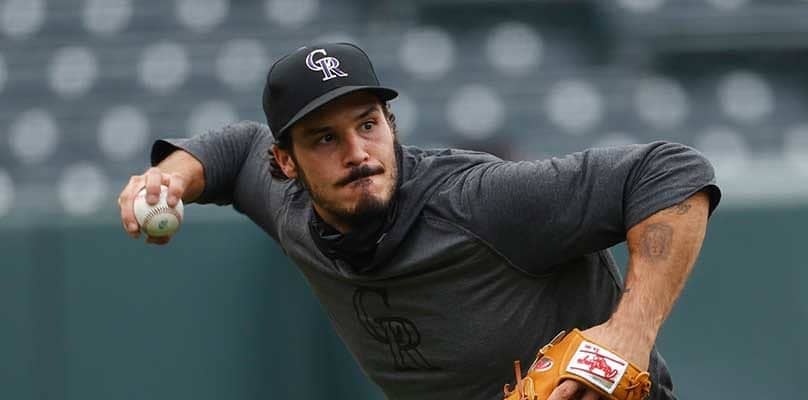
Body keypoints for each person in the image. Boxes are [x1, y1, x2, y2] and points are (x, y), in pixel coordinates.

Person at [117, 42, 721, 400]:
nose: (357, 152)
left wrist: (629, 335)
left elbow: (671, 172)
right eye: (325, 138)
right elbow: (232, 149)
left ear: (391, 125)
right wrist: (169, 179)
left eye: (368, 124)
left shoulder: (480, 202)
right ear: (286, 163)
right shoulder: (289, 205)